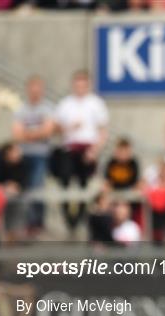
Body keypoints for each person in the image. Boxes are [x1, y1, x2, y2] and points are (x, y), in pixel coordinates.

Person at [55, 70, 108, 232]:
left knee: (86, 186)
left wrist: (94, 150)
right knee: (64, 182)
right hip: (70, 149)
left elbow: (103, 130)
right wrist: (69, 127)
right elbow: (55, 128)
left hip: (88, 150)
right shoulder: (65, 104)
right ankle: (69, 218)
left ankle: (80, 219)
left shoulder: (96, 104)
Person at [12, 75, 54, 232]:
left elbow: (48, 131)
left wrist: (27, 134)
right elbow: (16, 133)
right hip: (23, 155)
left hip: (40, 154)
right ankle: (28, 221)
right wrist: (37, 133)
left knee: (37, 186)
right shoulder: (21, 109)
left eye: (38, 88)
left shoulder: (47, 108)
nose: (35, 91)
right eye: (32, 88)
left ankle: (37, 221)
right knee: (26, 188)